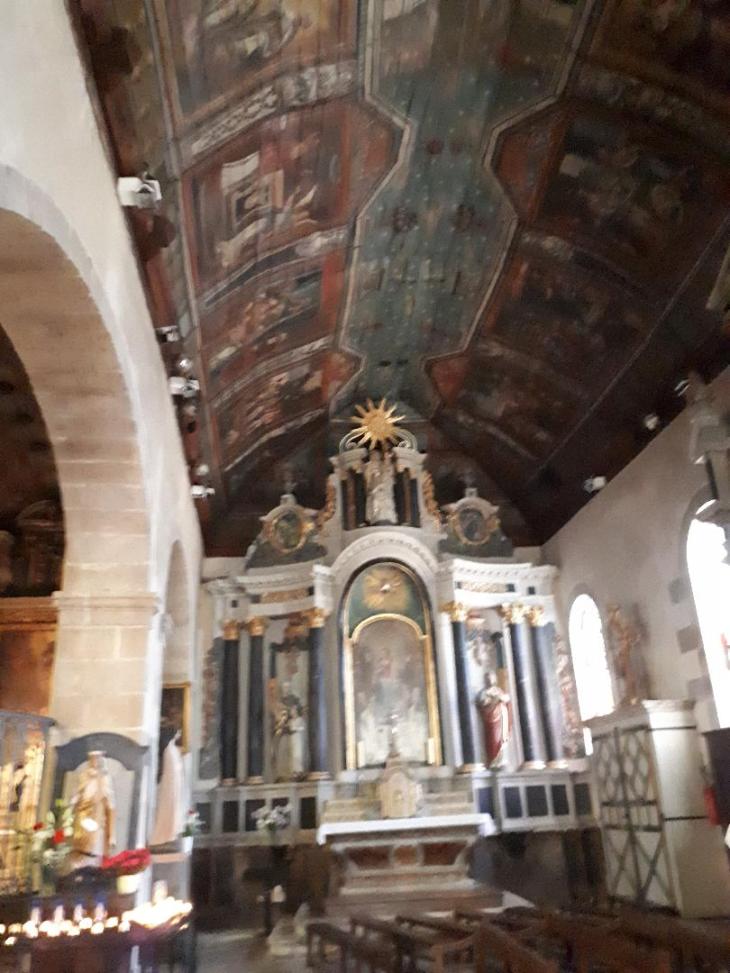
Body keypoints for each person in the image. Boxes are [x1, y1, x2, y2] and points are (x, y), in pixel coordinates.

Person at [68, 751, 116, 869]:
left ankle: (92, 865)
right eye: (92, 759)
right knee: (80, 840)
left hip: (97, 813)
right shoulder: (84, 775)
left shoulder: (104, 778)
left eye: (97, 759)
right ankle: (79, 864)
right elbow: (79, 792)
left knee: (95, 842)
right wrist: (73, 802)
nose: (95, 761)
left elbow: (109, 799)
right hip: (83, 813)